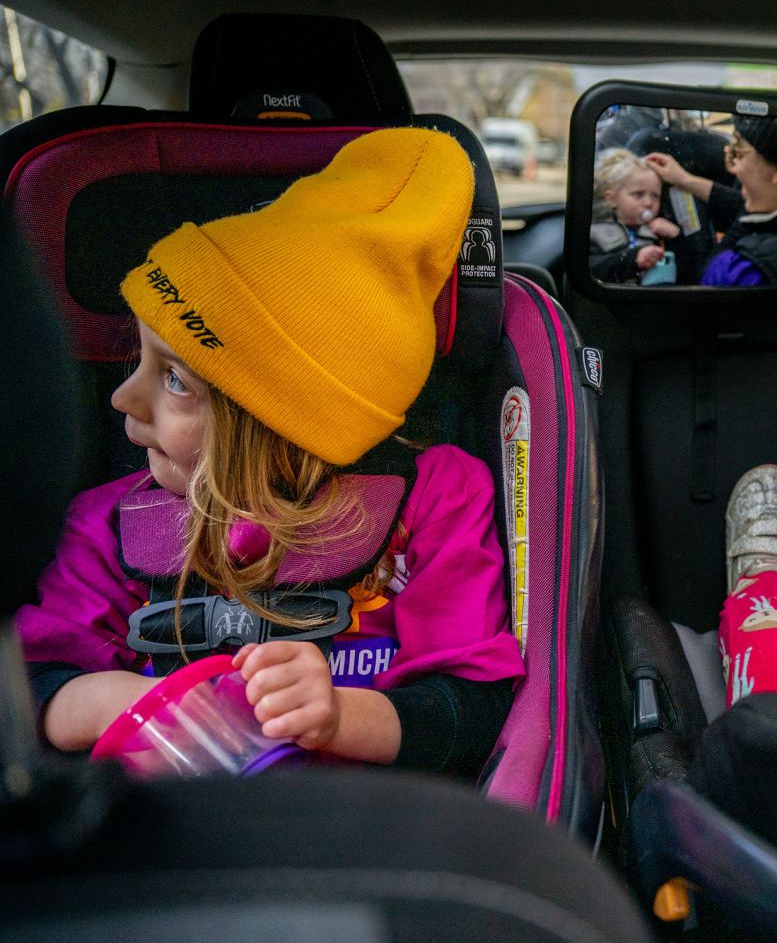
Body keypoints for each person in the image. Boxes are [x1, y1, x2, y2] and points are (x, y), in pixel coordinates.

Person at [16, 129, 526, 776]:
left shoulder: (434, 499)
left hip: (358, 828)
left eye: (174, 378)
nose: (123, 398)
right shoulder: (108, 526)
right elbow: (30, 685)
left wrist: (340, 717)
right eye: (136, 358)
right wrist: (119, 701)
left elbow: (472, 710)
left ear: (284, 422)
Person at [645, 115, 777, 287]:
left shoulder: (741, 273)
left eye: (739, 153)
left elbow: (705, 281)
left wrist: (674, 238)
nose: (733, 167)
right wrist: (685, 180)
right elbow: (746, 211)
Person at [588, 148, 681, 284]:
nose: (649, 203)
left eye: (655, 196)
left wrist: (676, 238)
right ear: (612, 199)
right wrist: (634, 258)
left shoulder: (659, 235)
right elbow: (591, 269)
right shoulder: (595, 233)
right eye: (638, 194)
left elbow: (685, 273)